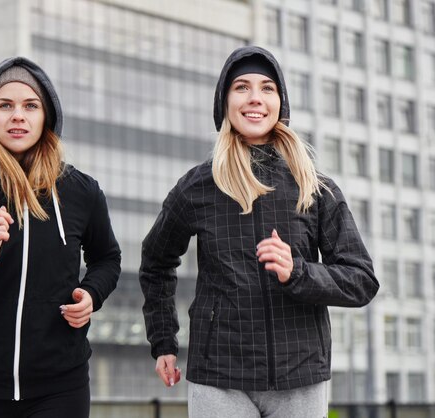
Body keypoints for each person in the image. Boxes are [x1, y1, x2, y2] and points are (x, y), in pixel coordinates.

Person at [139, 45, 379, 418]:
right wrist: (163, 341)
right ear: (225, 102)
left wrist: (297, 271)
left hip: (300, 378)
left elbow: (361, 280)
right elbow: (155, 263)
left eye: (267, 88)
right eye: (242, 87)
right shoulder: (198, 186)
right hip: (219, 376)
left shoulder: (314, 188)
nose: (255, 98)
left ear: (280, 103)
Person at [0, 56, 121, 418]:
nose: (18, 116)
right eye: (5, 105)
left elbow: (108, 258)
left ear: (46, 116)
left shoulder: (81, 191)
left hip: (62, 387)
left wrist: (91, 294)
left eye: (30, 105)